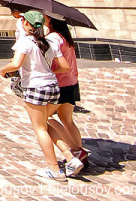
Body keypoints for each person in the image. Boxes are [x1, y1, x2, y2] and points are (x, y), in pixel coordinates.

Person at [0, 10, 83, 181]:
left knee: (40, 129)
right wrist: (48, 70)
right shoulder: (47, 42)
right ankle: (70, 157)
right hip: (53, 86)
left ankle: (55, 170)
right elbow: (65, 66)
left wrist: (3, 71)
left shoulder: (25, 42)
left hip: (36, 88)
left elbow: (15, 63)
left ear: (27, 24)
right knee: (45, 124)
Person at [46, 16, 88, 168]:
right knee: (67, 119)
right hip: (71, 82)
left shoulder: (53, 38)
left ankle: (73, 150)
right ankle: (81, 151)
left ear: (51, 21)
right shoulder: (66, 37)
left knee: (45, 119)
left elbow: (51, 59)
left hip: (60, 83)